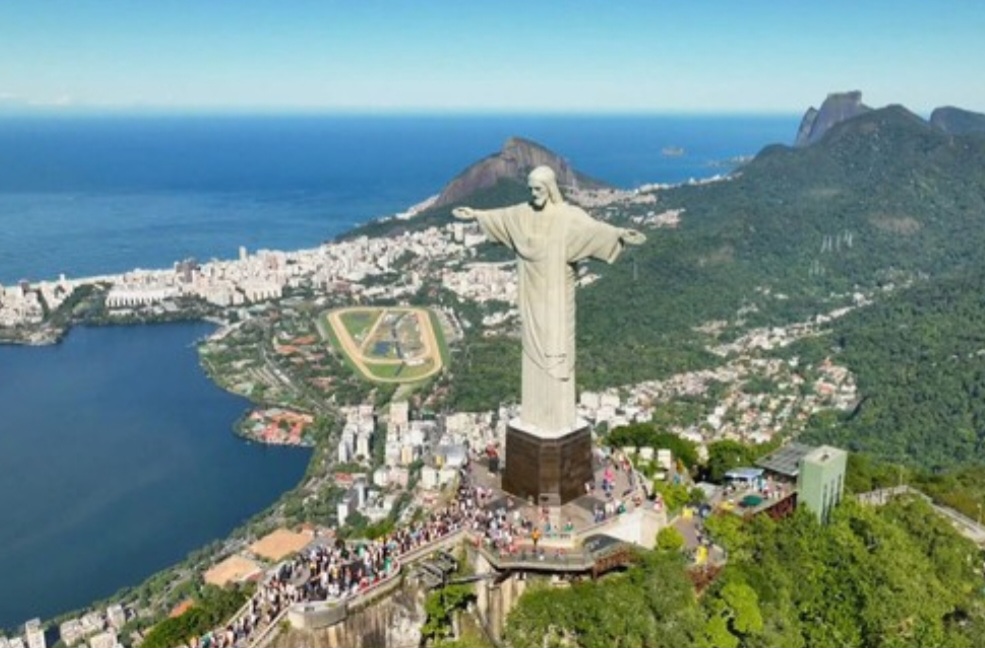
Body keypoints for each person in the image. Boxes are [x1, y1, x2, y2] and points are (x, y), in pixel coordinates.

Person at [453, 166, 645, 433]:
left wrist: (620, 235)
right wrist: (475, 215)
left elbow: (595, 230)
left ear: (551, 188)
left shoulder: (568, 217)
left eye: (539, 189)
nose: (534, 194)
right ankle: (536, 417)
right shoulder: (522, 213)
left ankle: (556, 420)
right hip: (531, 296)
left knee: (556, 349)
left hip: (556, 297)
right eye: (531, 189)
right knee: (532, 352)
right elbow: (501, 218)